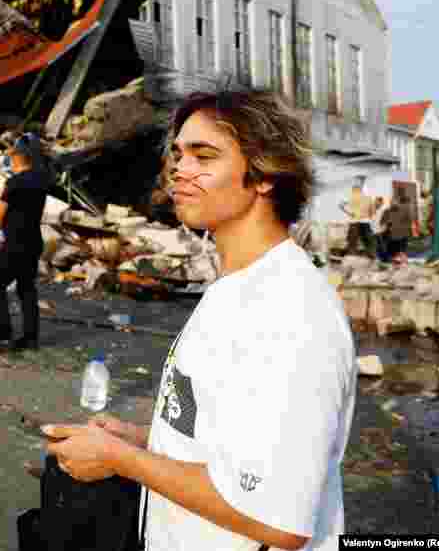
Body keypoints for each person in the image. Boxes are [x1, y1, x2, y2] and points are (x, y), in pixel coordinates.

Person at [41, 91, 356, 551]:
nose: (179, 171)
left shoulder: (292, 314)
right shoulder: (236, 284)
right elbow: (233, 446)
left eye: (203, 156)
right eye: (178, 154)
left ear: (264, 174)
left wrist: (119, 458)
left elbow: (278, 519)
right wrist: (143, 441)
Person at [0, 134, 50, 352]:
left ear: (20, 157)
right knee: (27, 289)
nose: (10, 158)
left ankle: (4, 335)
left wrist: (7, 231)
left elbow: (0, 214)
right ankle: (31, 337)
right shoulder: (41, 181)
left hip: (15, 241)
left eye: (13, 155)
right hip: (33, 240)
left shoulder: (14, 183)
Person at [339, 178, 374, 256]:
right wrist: (350, 213)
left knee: (359, 243)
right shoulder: (362, 195)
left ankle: (346, 255)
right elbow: (341, 205)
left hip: (359, 221)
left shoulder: (355, 195)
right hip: (361, 221)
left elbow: (340, 205)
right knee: (365, 243)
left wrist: (350, 213)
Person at [382, 190, 414, 263]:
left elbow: (383, 223)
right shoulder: (404, 210)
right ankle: (402, 259)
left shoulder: (387, 211)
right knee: (401, 249)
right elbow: (410, 220)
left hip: (393, 235)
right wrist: (407, 228)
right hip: (401, 234)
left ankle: (397, 260)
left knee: (394, 251)